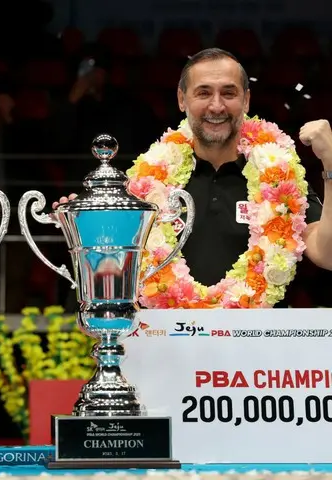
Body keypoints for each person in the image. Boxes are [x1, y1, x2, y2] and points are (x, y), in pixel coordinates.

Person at [54, 48, 332, 309]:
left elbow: (327, 254)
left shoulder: (279, 179)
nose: (216, 105)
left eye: (229, 92)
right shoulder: (146, 184)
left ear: (246, 100)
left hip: (256, 353)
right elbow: (112, 272)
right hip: (169, 351)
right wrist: (87, 231)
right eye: (203, 93)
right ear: (181, 99)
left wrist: (331, 163)